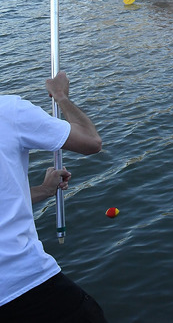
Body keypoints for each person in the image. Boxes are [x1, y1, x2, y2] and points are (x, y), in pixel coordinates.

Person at [0, 71, 106, 322]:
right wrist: (61, 97)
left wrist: (45, 190)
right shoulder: (8, 111)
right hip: (23, 285)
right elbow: (91, 142)